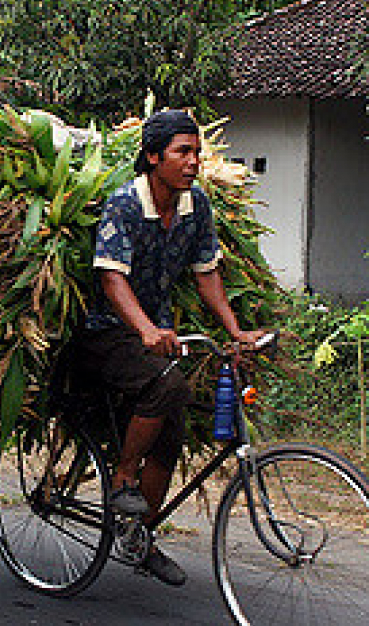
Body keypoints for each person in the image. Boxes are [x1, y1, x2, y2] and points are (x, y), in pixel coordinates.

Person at [70, 109, 266, 586]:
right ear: (153, 157)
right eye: (183, 152)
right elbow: (111, 278)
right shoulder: (124, 204)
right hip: (105, 332)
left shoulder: (195, 206)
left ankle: (138, 537)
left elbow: (207, 275)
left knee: (171, 433)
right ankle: (121, 478)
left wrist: (236, 332)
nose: (194, 161)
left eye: (197, 152)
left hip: (153, 333)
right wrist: (143, 329)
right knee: (165, 382)